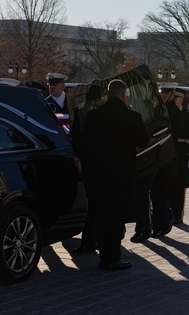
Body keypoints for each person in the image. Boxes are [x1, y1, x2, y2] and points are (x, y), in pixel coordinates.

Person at [80, 79, 149, 271]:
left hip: (98, 176)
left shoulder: (93, 116)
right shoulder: (132, 116)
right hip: (122, 177)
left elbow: (84, 147)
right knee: (117, 219)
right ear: (123, 94)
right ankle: (113, 257)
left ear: (108, 94)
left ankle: (104, 257)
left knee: (101, 218)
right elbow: (144, 141)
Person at [69, 83, 104, 255]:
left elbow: (76, 137)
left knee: (90, 204)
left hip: (87, 163)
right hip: (102, 165)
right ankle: (96, 239)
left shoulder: (79, 111)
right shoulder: (102, 114)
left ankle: (89, 240)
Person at [150, 83, 180, 237]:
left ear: (172, 93)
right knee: (155, 190)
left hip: (168, 157)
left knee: (160, 190)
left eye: (166, 92)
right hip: (157, 155)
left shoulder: (174, 112)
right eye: (162, 91)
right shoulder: (158, 110)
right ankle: (157, 223)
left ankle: (166, 220)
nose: (163, 94)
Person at [170, 88, 189, 224]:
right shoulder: (168, 115)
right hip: (171, 151)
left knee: (180, 185)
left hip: (182, 153)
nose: (175, 102)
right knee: (169, 184)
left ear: (181, 100)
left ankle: (178, 214)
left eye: (177, 99)